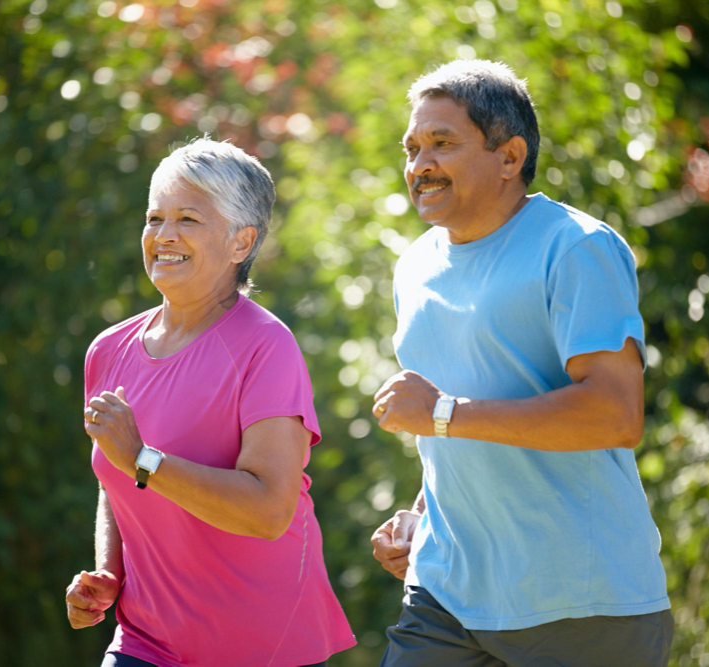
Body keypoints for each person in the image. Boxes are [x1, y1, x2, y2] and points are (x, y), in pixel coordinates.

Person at [369, 60, 672, 666]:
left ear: (510, 157)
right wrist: (422, 515)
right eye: (412, 148)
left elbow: (615, 415)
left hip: (582, 605)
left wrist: (444, 414)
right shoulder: (414, 268)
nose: (419, 164)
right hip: (446, 593)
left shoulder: (578, 247)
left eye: (442, 144)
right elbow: (457, 424)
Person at [65, 138, 356, 666]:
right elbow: (118, 473)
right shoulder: (108, 350)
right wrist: (109, 570)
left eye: (188, 219)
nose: (164, 235)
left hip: (261, 647)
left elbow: (269, 510)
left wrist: (144, 459)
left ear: (241, 242)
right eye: (155, 218)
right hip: (145, 642)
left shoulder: (266, 347)